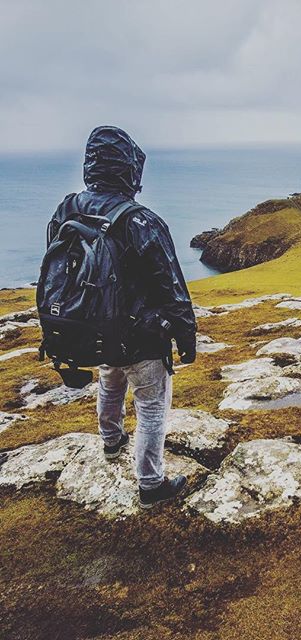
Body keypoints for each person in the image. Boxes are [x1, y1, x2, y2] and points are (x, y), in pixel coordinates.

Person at [47, 125, 197, 509]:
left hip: (93, 328)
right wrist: (186, 335)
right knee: (150, 405)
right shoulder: (141, 220)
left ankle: (111, 441)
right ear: (131, 168)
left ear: (91, 165)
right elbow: (172, 286)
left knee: (110, 379)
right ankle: (150, 484)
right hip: (142, 334)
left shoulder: (66, 209)